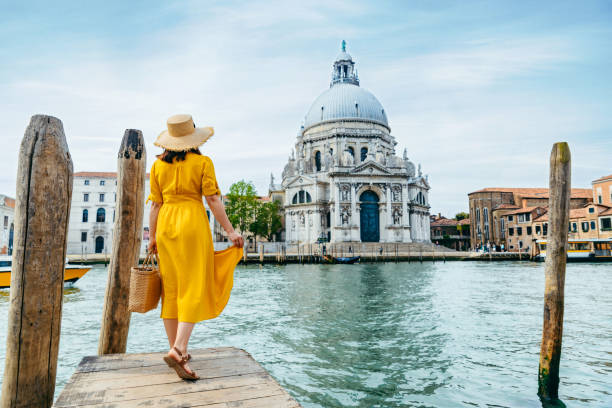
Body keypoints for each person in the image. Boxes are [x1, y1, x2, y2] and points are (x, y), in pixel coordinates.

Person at [147, 114, 244, 380]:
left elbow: (155, 205)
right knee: (192, 285)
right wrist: (230, 231)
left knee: (172, 289)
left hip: (166, 226)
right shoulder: (203, 162)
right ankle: (178, 349)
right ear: (193, 139)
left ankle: (179, 351)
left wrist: (152, 237)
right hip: (192, 224)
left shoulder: (157, 167)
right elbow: (212, 199)